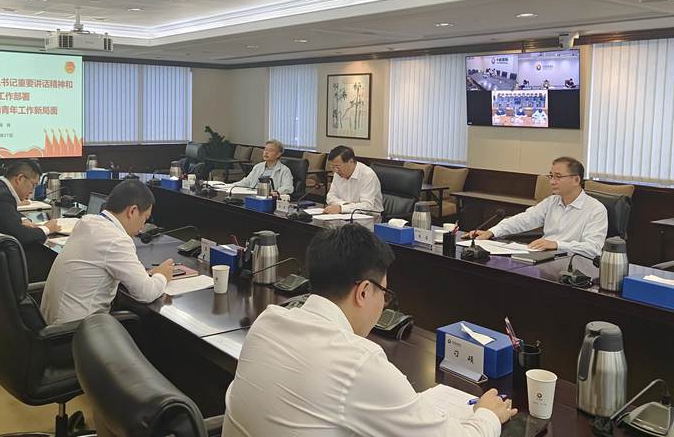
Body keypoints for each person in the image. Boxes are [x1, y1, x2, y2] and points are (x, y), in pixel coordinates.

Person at [222, 224, 516, 437]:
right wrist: (487, 416)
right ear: (363, 292)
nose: (383, 304)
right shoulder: (357, 362)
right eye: (384, 294)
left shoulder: (267, 322)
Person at [41, 180, 174, 325]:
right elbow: (145, 293)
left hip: (51, 323)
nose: (143, 227)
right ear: (132, 211)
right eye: (145, 218)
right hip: (78, 330)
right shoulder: (116, 240)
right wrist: (162, 275)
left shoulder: (87, 221)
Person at [466, 157, 607, 258]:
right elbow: (524, 220)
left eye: (558, 177)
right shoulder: (551, 202)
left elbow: (593, 249)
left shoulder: (596, 210)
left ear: (576, 180)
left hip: (573, 264)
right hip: (544, 258)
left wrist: (557, 244)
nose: (552, 182)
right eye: (550, 176)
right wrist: (491, 232)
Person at [0, 160, 61, 281]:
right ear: (20, 179)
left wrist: (23, 219)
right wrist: (47, 228)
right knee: (56, 261)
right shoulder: (1, 196)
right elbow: (22, 236)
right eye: (33, 184)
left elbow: (8, 213)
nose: (32, 191)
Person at [324, 145, 383, 214]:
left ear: (351, 162)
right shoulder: (338, 173)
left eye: (337, 166)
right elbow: (330, 196)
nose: (335, 170)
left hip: (370, 216)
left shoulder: (367, 174)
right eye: (333, 167)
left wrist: (342, 208)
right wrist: (344, 205)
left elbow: (367, 205)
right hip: (345, 214)